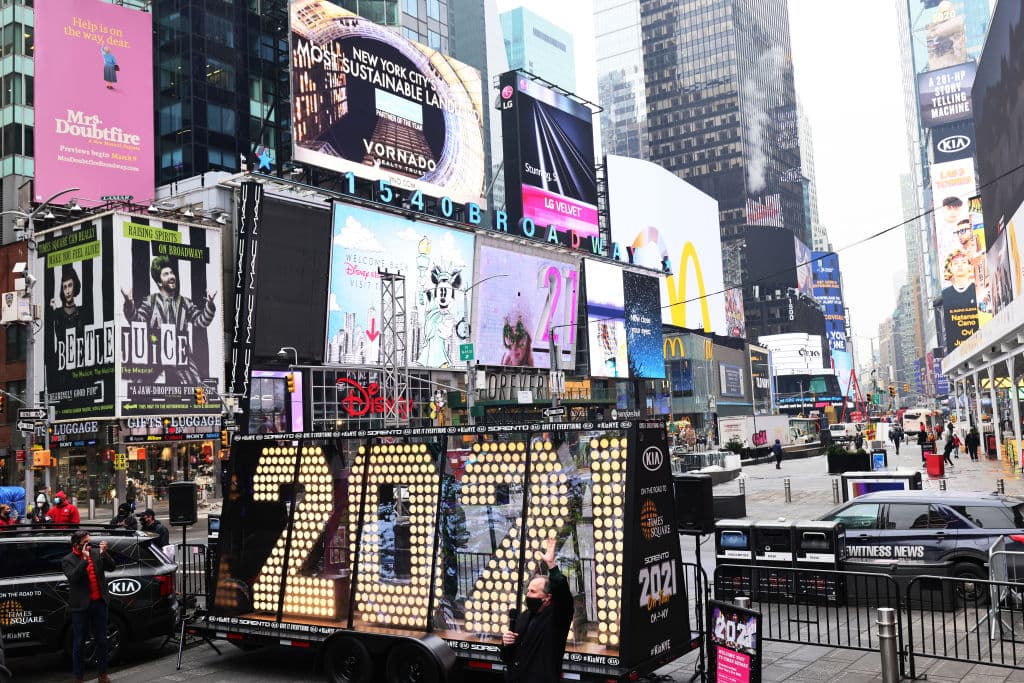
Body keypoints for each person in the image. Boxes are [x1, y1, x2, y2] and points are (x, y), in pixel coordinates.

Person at [121, 255, 217, 387]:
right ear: (159, 282)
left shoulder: (185, 302)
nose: (171, 276)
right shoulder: (150, 301)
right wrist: (129, 304)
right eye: (166, 274)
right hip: (156, 352)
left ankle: (201, 407)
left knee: (197, 386)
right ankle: (135, 406)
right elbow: (137, 321)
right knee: (139, 386)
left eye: (172, 273)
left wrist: (210, 306)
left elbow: (201, 322)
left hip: (180, 353)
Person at [501, 537, 573, 683]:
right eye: (528, 591)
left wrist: (551, 565)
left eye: (533, 592)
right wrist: (506, 643)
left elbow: (563, 595)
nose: (528, 595)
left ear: (547, 598)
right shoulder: (523, 616)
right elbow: (508, 657)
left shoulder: (557, 618)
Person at [63, 529, 115, 683]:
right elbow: (73, 578)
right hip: (80, 607)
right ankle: (79, 678)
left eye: (89, 542)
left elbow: (112, 567)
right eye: (85, 543)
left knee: (102, 640)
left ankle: (103, 674)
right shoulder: (68, 560)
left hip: (99, 603)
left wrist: (105, 553)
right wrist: (84, 560)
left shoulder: (96, 553)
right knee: (79, 642)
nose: (88, 545)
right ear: (76, 545)